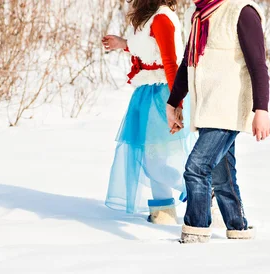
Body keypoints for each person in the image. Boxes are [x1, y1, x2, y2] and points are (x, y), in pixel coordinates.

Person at [166, 0, 270, 243]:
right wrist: (173, 102)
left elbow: (258, 64)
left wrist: (261, 109)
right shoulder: (200, 14)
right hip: (206, 108)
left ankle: (196, 231)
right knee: (222, 174)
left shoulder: (242, 11)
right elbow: (188, 63)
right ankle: (238, 228)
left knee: (196, 168)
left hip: (228, 108)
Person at [102, 0, 195, 225]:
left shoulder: (162, 18)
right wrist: (122, 43)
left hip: (164, 93)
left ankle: (200, 191)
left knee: (153, 160)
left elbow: (171, 63)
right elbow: (147, 48)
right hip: (147, 93)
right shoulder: (149, 16)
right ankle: (163, 210)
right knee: (151, 156)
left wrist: (176, 104)